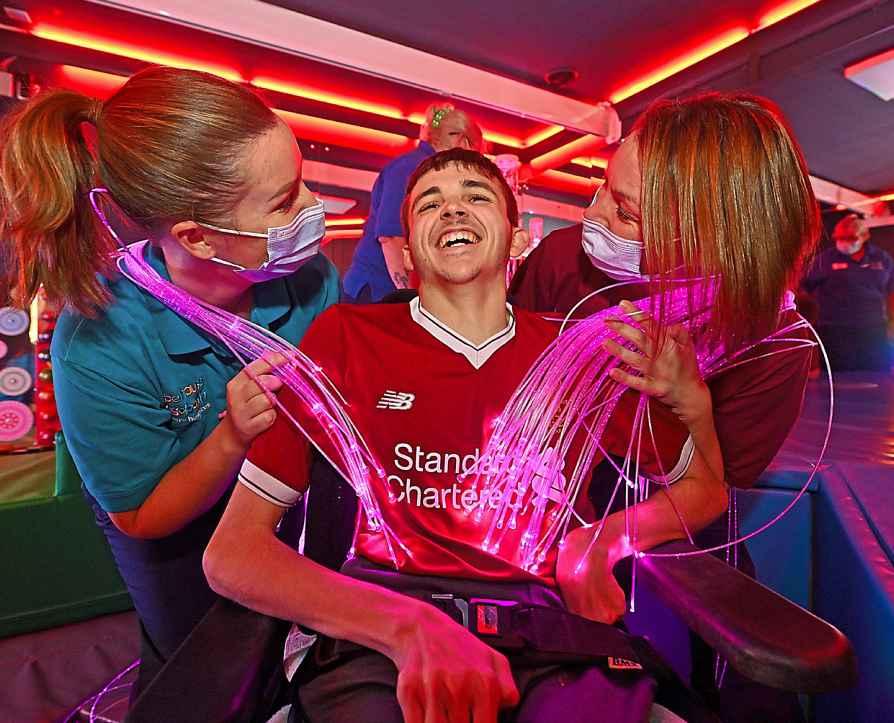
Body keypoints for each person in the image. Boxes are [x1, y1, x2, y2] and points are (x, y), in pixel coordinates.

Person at [204, 148, 730, 723]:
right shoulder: (347, 336)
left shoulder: (581, 352)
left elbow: (704, 489)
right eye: (430, 204)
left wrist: (601, 542)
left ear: (517, 237)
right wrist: (406, 627)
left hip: (548, 632)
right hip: (385, 620)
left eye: (476, 197)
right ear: (407, 254)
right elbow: (233, 554)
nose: (453, 210)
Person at [0, 66, 339, 693]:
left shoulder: (311, 279)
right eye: (286, 200)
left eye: (303, 183)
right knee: (203, 667)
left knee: (293, 646)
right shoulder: (98, 343)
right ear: (197, 237)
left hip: (282, 493)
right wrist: (232, 436)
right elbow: (141, 513)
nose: (314, 208)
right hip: (173, 526)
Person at [511, 92, 819, 721]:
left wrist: (687, 403)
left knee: (746, 698)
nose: (592, 215)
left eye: (625, 212)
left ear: (707, 239)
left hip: (678, 520)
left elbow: (706, 493)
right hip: (552, 501)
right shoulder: (562, 262)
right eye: (603, 189)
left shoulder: (775, 341)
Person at [342, 103, 484, 302]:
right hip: (377, 292)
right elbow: (391, 239)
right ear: (463, 142)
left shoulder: (425, 171)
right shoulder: (410, 169)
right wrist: (409, 296)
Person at [802, 213, 894, 372]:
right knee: (837, 376)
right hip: (835, 330)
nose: (844, 242)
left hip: (873, 328)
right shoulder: (825, 260)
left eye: (850, 238)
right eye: (839, 238)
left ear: (864, 236)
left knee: (876, 374)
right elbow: (804, 287)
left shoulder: (881, 258)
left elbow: (890, 288)